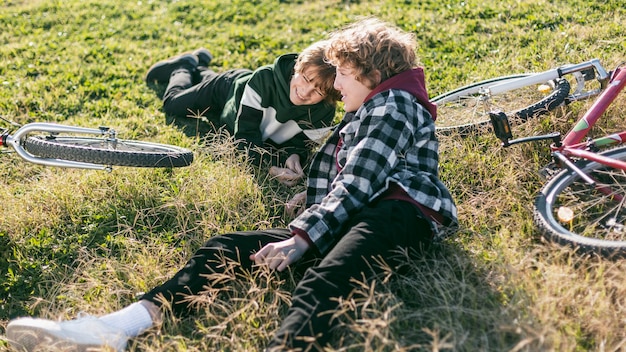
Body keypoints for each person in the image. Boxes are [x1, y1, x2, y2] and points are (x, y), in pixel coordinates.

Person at [6, 17, 458, 351]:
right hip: (358, 211)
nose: (337, 85)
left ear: (369, 73)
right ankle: (116, 328)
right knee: (225, 248)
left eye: (341, 74)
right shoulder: (375, 105)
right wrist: (312, 197)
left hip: (403, 213)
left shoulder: (393, 104)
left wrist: (301, 237)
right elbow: (354, 175)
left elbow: (361, 182)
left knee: (323, 283)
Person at [145, 41, 341, 186]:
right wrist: (270, 168)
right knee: (173, 105)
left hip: (236, 107)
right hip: (227, 90)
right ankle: (184, 66)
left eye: (318, 91)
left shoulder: (324, 111)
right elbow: (245, 137)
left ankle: (201, 65)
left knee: (213, 101)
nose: (305, 92)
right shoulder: (264, 79)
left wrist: (294, 157)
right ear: (297, 67)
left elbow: (301, 145)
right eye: (306, 79)